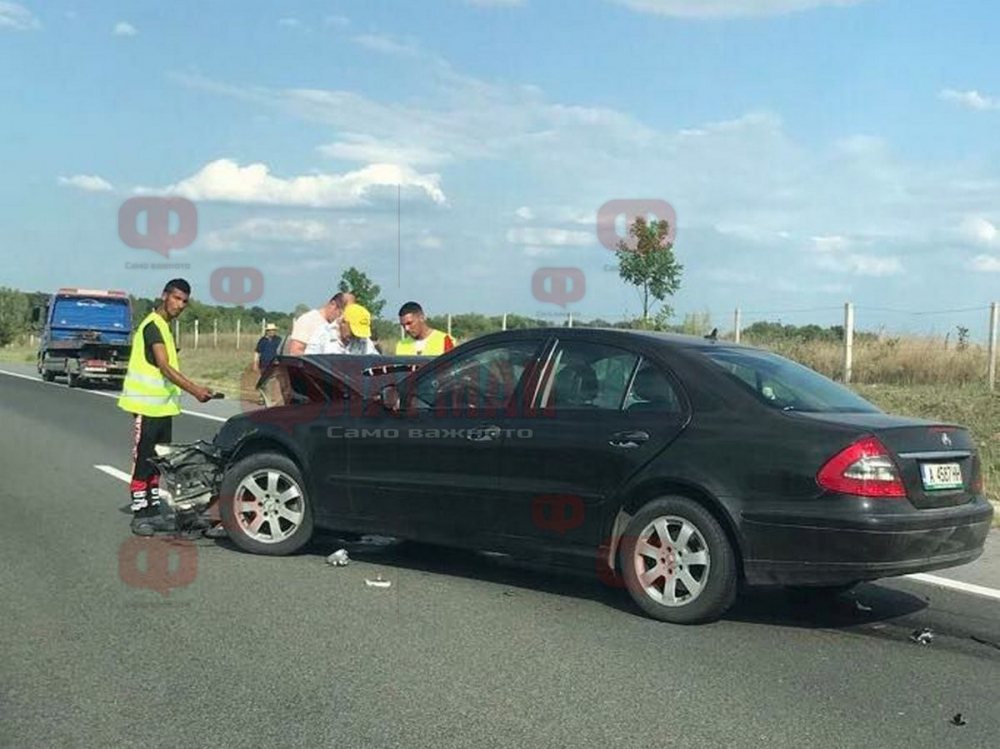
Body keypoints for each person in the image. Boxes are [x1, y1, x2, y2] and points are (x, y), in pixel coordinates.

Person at [117, 279, 216, 536]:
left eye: (184, 301)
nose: (180, 305)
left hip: (163, 407)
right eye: (176, 298)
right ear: (164, 296)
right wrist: (195, 391)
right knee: (143, 463)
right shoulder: (153, 326)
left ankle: (153, 512)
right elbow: (163, 366)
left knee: (158, 464)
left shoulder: (165, 326)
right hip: (146, 406)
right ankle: (140, 515)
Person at [285, 292, 351, 356]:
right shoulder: (308, 320)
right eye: (342, 312)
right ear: (333, 304)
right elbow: (295, 351)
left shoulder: (338, 325)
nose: (342, 317)